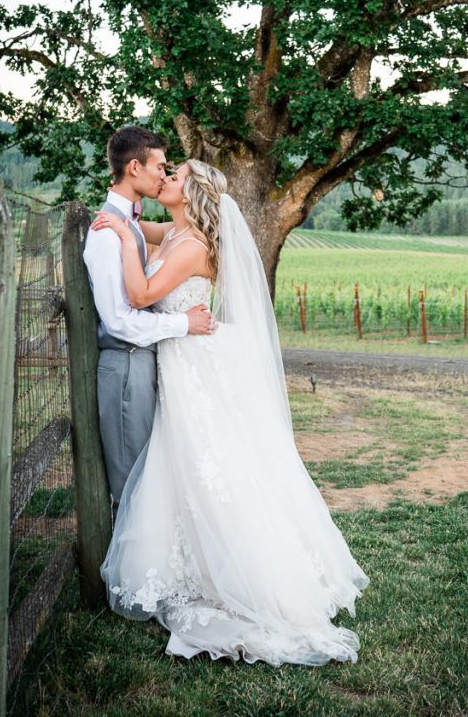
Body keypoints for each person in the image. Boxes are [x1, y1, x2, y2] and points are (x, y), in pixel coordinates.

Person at [92, 159, 369, 666]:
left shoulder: (194, 245)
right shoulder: (176, 232)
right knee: (185, 463)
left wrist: (128, 243)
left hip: (192, 365)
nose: (165, 179)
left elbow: (139, 294)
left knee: (207, 465)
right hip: (182, 360)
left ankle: (241, 573)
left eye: (173, 178)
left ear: (191, 194)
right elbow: (141, 227)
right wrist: (122, 221)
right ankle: (198, 563)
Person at [83, 127, 214, 520]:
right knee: (133, 483)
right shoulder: (110, 234)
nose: (164, 175)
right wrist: (183, 323)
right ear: (135, 167)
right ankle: (129, 578)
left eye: (172, 173)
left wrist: (127, 228)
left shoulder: (136, 229)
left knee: (149, 478)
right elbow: (121, 319)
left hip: (151, 362)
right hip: (127, 362)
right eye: (161, 167)